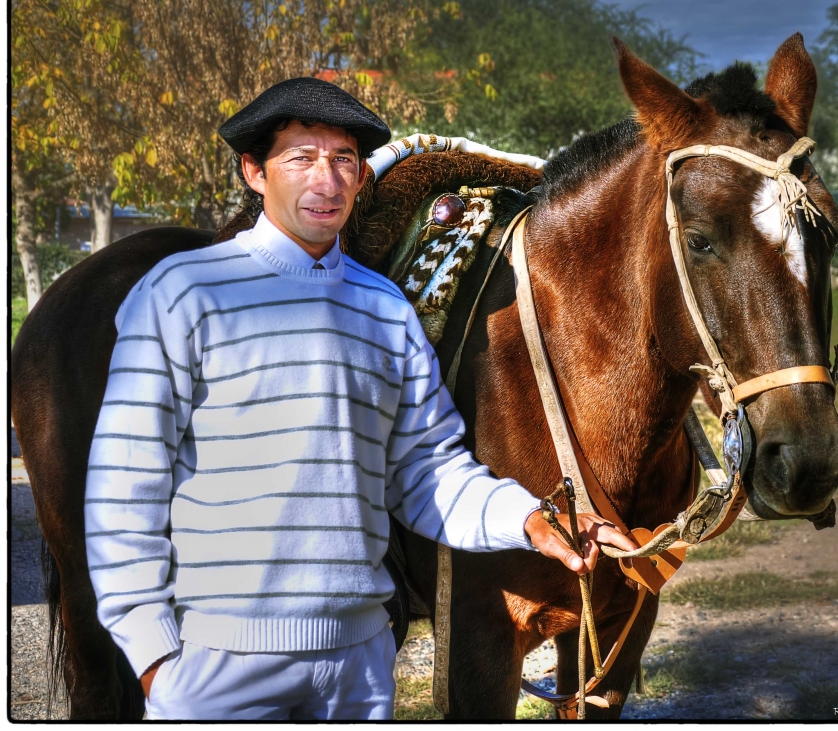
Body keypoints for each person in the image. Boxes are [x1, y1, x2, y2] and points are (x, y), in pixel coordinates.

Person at [84, 77, 634, 720]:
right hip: (216, 670)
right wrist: (154, 658)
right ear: (254, 171)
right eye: (302, 157)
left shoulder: (385, 308)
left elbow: (427, 471)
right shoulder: (183, 294)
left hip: (360, 673)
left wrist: (530, 519)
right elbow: (124, 488)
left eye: (344, 159)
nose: (328, 179)